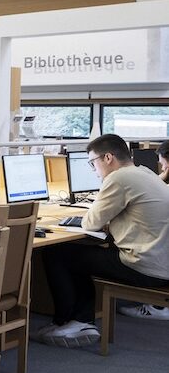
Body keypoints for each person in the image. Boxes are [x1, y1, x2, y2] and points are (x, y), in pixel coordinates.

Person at [38, 134, 169, 345]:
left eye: (92, 163)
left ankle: (75, 321)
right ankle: (79, 318)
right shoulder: (143, 172)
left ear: (108, 158)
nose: (94, 170)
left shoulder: (118, 178)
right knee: (81, 253)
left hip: (145, 267)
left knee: (58, 254)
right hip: (162, 262)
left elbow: (90, 223)